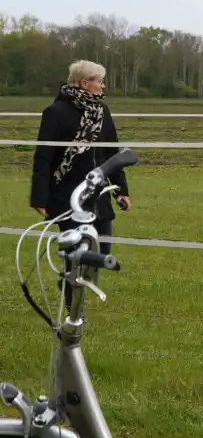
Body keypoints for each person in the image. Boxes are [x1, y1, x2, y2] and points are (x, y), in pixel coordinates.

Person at [29, 60, 131, 306]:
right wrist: (40, 199)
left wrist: (121, 190)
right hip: (66, 194)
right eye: (99, 80)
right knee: (76, 251)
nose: (102, 85)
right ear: (84, 83)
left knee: (102, 251)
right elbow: (43, 157)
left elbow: (112, 153)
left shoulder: (102, 110)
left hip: (99, 193)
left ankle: (72, 285)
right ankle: (73, 305)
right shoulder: (55, 112)